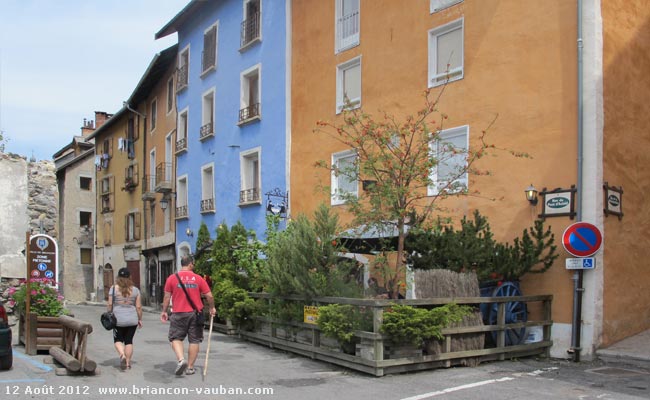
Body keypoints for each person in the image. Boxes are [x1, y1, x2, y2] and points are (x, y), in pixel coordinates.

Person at [160, 255, 216, 376]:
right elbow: (209, 296)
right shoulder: (198, 278)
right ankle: (190, 367)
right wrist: (211, 307)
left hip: (178, 313)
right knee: (194, 340)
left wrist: (164, 311)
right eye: (193, 264)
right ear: (190, 264)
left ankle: (181, 360)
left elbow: (166, 297)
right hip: (195, 313)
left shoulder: (172, 278)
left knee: (175, 338)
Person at [107, 267, 142, 370]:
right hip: (132, 319)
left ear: (118, 277)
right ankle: (127, 363)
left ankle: (122, 355)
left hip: (118, 320)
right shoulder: (135, 290)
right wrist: (139, 319)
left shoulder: (113, 289)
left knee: (118, 340)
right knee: (129, 341)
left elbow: (109, 304)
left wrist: (109, 313)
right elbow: (139, 307)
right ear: (129, 277)